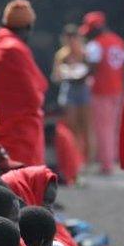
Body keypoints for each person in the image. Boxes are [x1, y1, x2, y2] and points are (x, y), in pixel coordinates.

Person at [0, 0, 49, 166]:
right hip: (22, 134)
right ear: (28, 27)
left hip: (0, 128)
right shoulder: (16, 49)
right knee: (26, 186)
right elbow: (37, 91)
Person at [80, 11, 124, 175]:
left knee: (103, 128)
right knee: (114, 127)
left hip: (101, 90)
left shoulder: (96, 44)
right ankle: (115, 159)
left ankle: (106, 164)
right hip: (117, 89)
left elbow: (92, 67)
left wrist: (80, 75)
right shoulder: (119, 41)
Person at [52, 24, 91, 159]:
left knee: (85, 125)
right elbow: (56, 76)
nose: (71, 43)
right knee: (72, 125)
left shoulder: (85, 53)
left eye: (74, 39)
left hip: (83, 89)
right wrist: (65, 72)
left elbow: (91, 72)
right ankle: (76, 157)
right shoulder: (61, 55)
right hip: (69, 88)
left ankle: (87, 157)